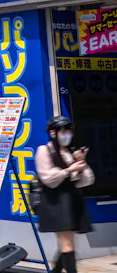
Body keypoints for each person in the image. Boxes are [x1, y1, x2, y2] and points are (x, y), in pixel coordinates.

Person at [36, 115, 95, 273]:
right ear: (53, 133)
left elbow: (86, 181)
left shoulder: (71, 152)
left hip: (72, 200)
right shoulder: (44, 150)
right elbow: (48, 178)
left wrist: (82, 164)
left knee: (68, 244)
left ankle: (55, 271)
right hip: (55, 202)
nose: (67, 134)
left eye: (68, 130)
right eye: (62, 131)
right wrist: (70, 170)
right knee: (67, 244)